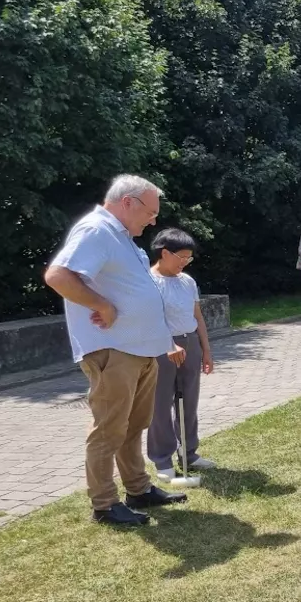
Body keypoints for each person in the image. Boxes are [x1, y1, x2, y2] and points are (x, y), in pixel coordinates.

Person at [43, 175, 189, 526]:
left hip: (139, 350)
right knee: (109, 428)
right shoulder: (96, 230)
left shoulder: (122, 237)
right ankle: (105, 505)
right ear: (128, 202)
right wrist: (101, 305)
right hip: (113, 350)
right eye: (150, 212)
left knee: (133, 425)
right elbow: (58, 276)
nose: (154, 220)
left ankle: (137, 489)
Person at [146, 228, 216, 481]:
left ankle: (189, 453)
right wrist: (168, 344)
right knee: (160, 404)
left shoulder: (187, 281)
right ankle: (161, 458)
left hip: (190, 344)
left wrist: (205, 349)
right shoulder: (148, 281)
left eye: (189, 258)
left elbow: (196, 316)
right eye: (181, 257)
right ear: (165, 253)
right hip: (161, 347)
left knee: (189, 400)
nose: (185, 262)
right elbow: (148, 319)